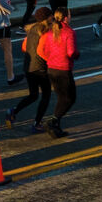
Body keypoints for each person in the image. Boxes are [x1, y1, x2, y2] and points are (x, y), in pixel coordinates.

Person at [8, 15, 55, 132]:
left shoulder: (32, 29)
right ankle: (37, 123)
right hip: (40, 69)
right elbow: (47, 51)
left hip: (28, 68)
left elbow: (24, 47)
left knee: (33, 95)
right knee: (46, 95)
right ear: (48, 19)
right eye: (52, 18)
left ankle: (13, 111)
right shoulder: (47, 33)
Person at [39, 9, 79, 137]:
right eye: (69, 14)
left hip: (52, 69)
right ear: (66, 18)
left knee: (62, 98)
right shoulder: (69, 32)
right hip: (63, 70)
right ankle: (53, 121)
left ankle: (56, 126)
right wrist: (77, 55)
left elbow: (43, 50)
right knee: (69, 98)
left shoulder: (51, 32)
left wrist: (50, 60)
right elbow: (71, 52)